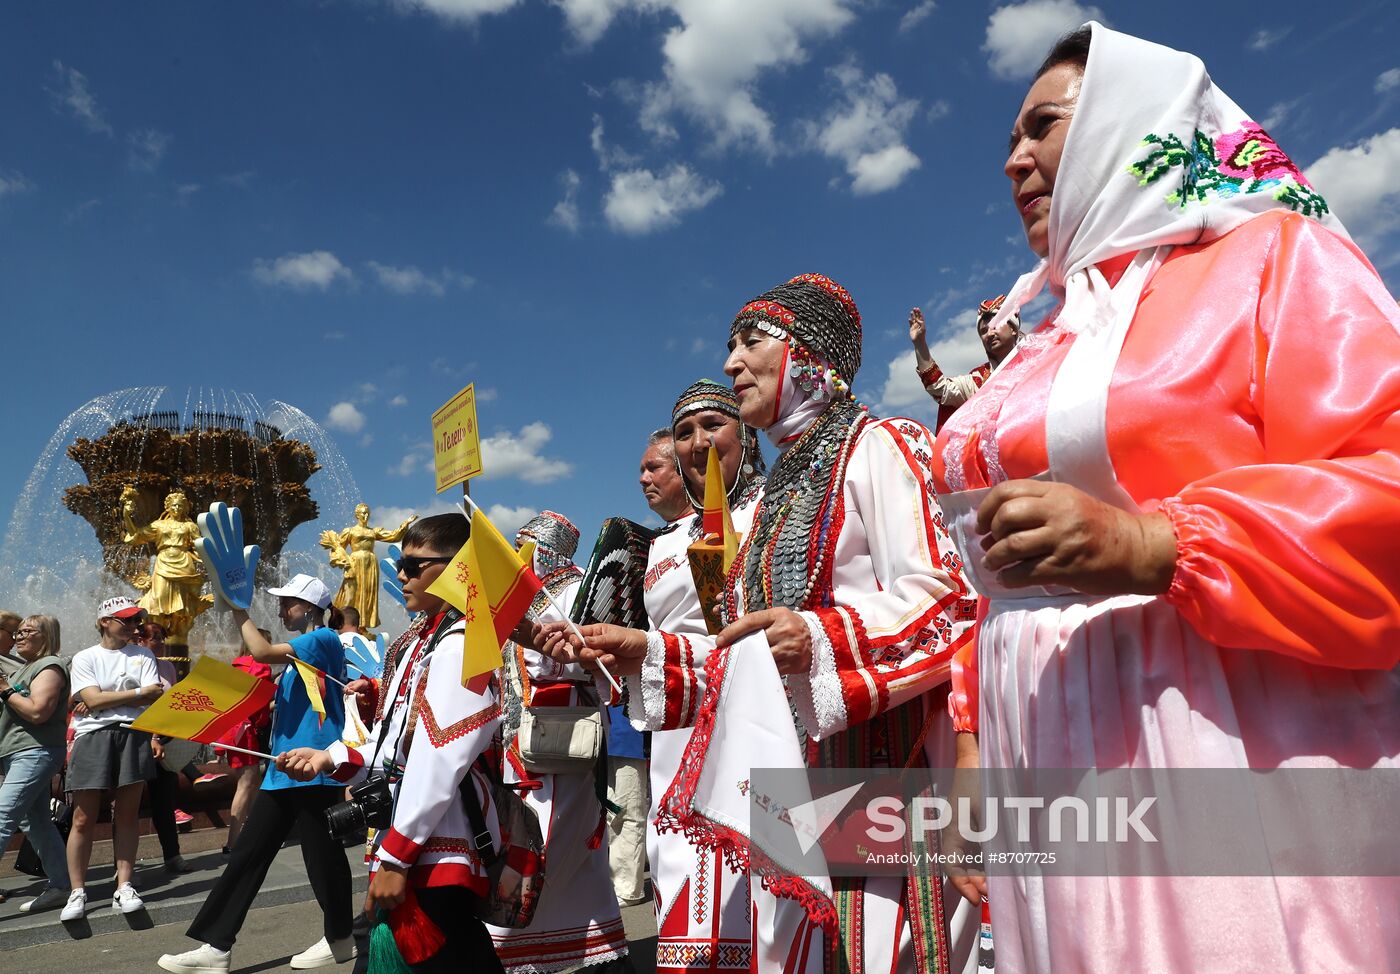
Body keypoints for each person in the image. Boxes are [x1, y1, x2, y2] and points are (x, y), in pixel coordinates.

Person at [932, 23, 1400, 971]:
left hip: (1217, 728)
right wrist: (974, 758)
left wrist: (1157, 544)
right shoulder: (1045, 337)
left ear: (1126, 122)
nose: (1015, 161)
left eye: (1044, 127)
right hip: (1047, 749)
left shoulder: (1272, 260)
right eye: (1009, 144)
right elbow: (992, 594)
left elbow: (1383, 473)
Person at [553, 276, 980, 972]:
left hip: (884, 773)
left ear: (810, 356)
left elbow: (951, 599)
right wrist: (651, 654)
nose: (730, 363)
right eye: (729, 346)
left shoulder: (880, 446)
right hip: (794, 794)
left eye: (751, 342)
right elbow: (750, 657)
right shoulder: (778, 494)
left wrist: (817, 637)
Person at [275, 515, 507, 973]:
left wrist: (397, 857)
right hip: (415, 837)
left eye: (413, 564)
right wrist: (331, 757)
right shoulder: (423, 640)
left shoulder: (461, 644)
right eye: (400, 563)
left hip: (440, 843)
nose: (399, 575)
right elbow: (395, 744)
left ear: (459, 568)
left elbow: (440, 757)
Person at [158, 574, 353, 974]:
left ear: (311, 608)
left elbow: (260, 650)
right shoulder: (303, 654)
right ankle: (216, 947)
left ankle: (340, 936)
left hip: (313, 768)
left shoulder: (323, 639)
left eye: (288, 602)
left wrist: (236, 606)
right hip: (283, 770)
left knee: (323, 859)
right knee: (248, 855)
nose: (281, 609)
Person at [491, 511, 631, 972]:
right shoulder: (522, 596)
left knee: (549, 847)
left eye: (525, 543)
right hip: (527, 744)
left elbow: (596, 664)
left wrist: (553, 652)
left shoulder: (572, 590)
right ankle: (586, 951)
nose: (517, 552)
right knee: (549, 846)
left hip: (562, 743)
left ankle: (524, 947)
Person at [63, 596, 163, 921]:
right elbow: (90, 699)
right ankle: (77, 891)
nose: (133, 626)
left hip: (133, 734)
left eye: (136, 620)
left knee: (128, 815)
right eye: (126, 620)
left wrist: (104, 701)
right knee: (82, 818)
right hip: (92, 737)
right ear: (105, 621)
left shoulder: (144, 654)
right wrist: (136, 694)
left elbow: (155, 693)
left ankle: (124, 885)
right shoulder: (84, 657)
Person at [0, 614, 70, 913]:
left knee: (2, 816)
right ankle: (61, 886)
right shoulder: (23, 669)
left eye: (28, 631)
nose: (19, 636)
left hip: (35, 751)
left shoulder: (50, 666)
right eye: (17, 632)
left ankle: (62, 886)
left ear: (47, 636)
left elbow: (39, 711)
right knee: (37, 821)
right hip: (17, 752)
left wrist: (4, 687)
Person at [908, 297, 1021, 431]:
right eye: (983, 331)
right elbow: (940, 389)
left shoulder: (1041, 355)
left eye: (995, 326)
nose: (990, 334)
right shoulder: (979, 380)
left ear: (1013, 328)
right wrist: (919, 343)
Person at [137, 621, 197, 875]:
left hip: (164, 742)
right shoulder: (133, 664)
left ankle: (172, 855)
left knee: (165, 801)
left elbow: (168, 704)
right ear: (140, 641)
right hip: (137, 738)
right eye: (155, 638)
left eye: (162, 638)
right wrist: (150, 736)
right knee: (127, 805)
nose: (161, 643)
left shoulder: (167, 667)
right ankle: (124, 866)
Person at [216, 644, 273, 855]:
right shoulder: (260, 667)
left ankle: (255, 833)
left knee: (251, 782)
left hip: (232, 728)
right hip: (246, 730)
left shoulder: (235, 666)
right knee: (246, 784)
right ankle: (233, 842)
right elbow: (261, 704)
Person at [639, 428, 692, 523]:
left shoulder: (722, 527)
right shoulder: (654, 537)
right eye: (642, 471)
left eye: (653, 468)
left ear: (683, 468)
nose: (642, 479)